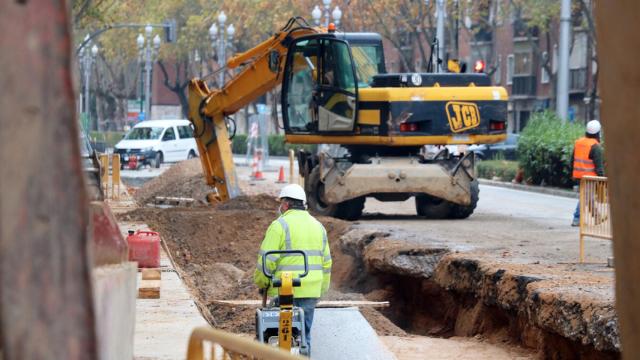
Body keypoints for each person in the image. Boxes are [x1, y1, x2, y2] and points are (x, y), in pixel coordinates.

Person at [254, 184, 331, 355]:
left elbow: (266, 261)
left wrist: (262, 282)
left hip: (285, 289)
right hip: (311, 290)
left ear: (286, 204)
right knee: (304, 335)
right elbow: (326, 263)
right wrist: (321, 289)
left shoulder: (279, 225)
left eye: (281, 203)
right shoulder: (318, 226)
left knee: (277, 333)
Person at [571, 119, 605, 226]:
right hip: (590, 177)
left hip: (579, 175)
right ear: (598, 133)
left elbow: (572, 160)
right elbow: (599, 167)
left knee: (588, 197)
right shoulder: (596, 147)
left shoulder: (578, 143)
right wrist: (602, 180)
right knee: (585, 197)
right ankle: (577, 218)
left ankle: (597, 217)